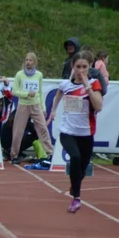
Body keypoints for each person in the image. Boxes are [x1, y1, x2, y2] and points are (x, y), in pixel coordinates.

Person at [47, 53, 104, 213]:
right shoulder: (66, 84)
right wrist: (53, 111)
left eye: (84, 67)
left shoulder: (94, 83)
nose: (81, 70)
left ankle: (75, 183)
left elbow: (98, 106)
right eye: (78, 67)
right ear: (73, 66)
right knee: (75, 158)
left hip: (86, 133)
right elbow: (58, 94)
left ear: (90, 67)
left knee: (82, 168)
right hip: (68, 131)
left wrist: (87, 86)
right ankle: (76, 199)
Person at [9, 52, 54, 164]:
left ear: (34, 62)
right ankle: (14, 155)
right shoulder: (19, 74)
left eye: (30, 60)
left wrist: (43, 108)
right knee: (18, 130)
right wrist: (27, 94)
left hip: (35, 104)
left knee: (42, 128)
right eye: (26, 60)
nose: (28, 62)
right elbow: (14, 91)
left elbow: (39, 92)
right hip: (23, 104)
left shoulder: (39, 75)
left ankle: (50, 153)